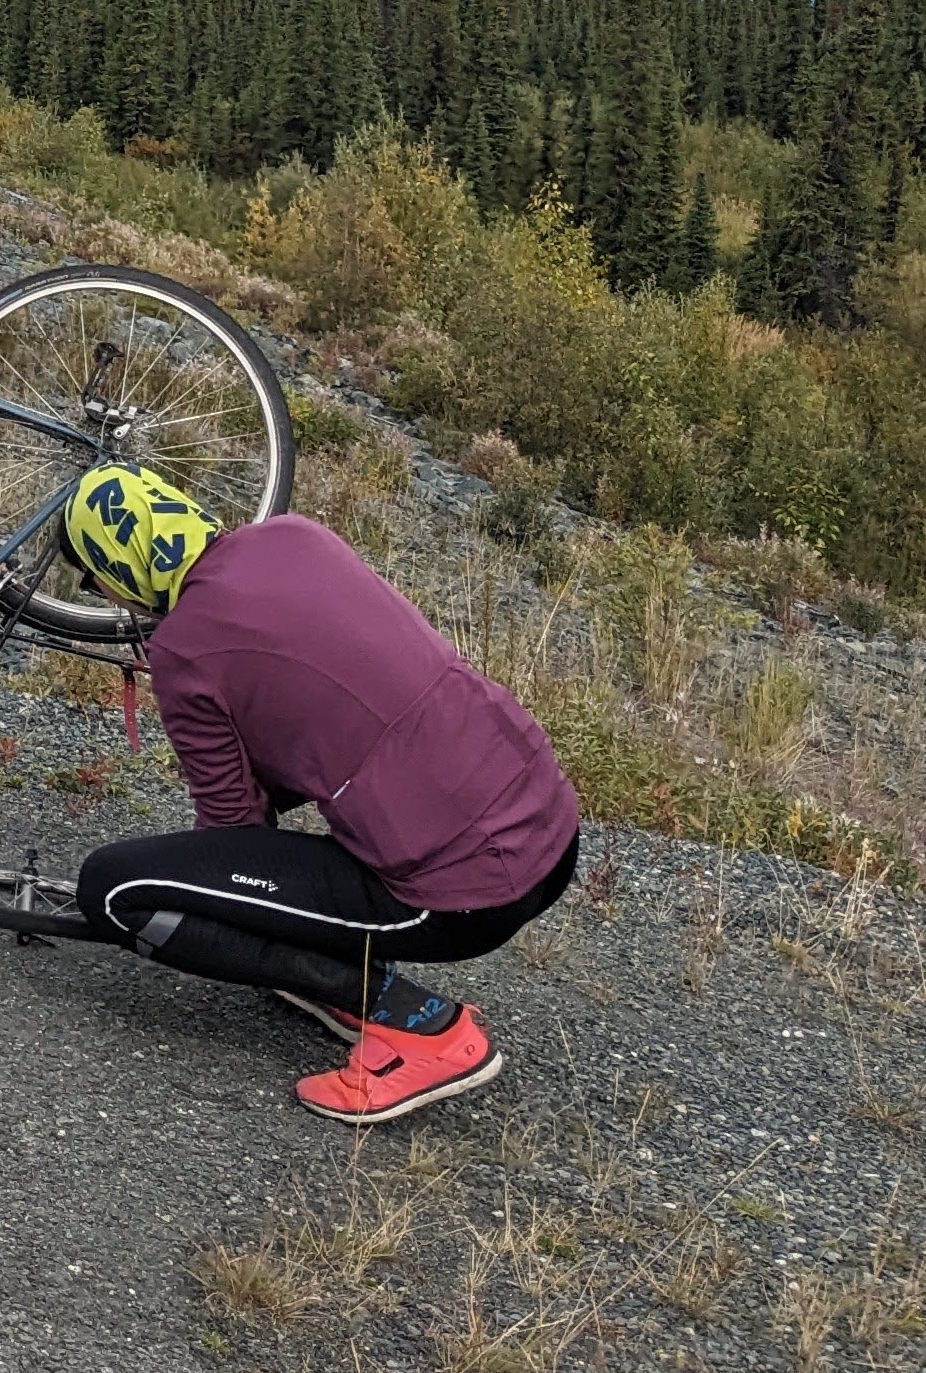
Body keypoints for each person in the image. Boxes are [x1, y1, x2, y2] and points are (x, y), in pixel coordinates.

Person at [62, 466, 582, 1127]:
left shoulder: (182, 648)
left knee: (112, 888)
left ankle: (422, 1030)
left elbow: (233, 829)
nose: (99, 593)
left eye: (91, 576)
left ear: (116, 561)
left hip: (463, 897)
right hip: (552, 827)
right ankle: (333, 973)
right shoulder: (293, 536)